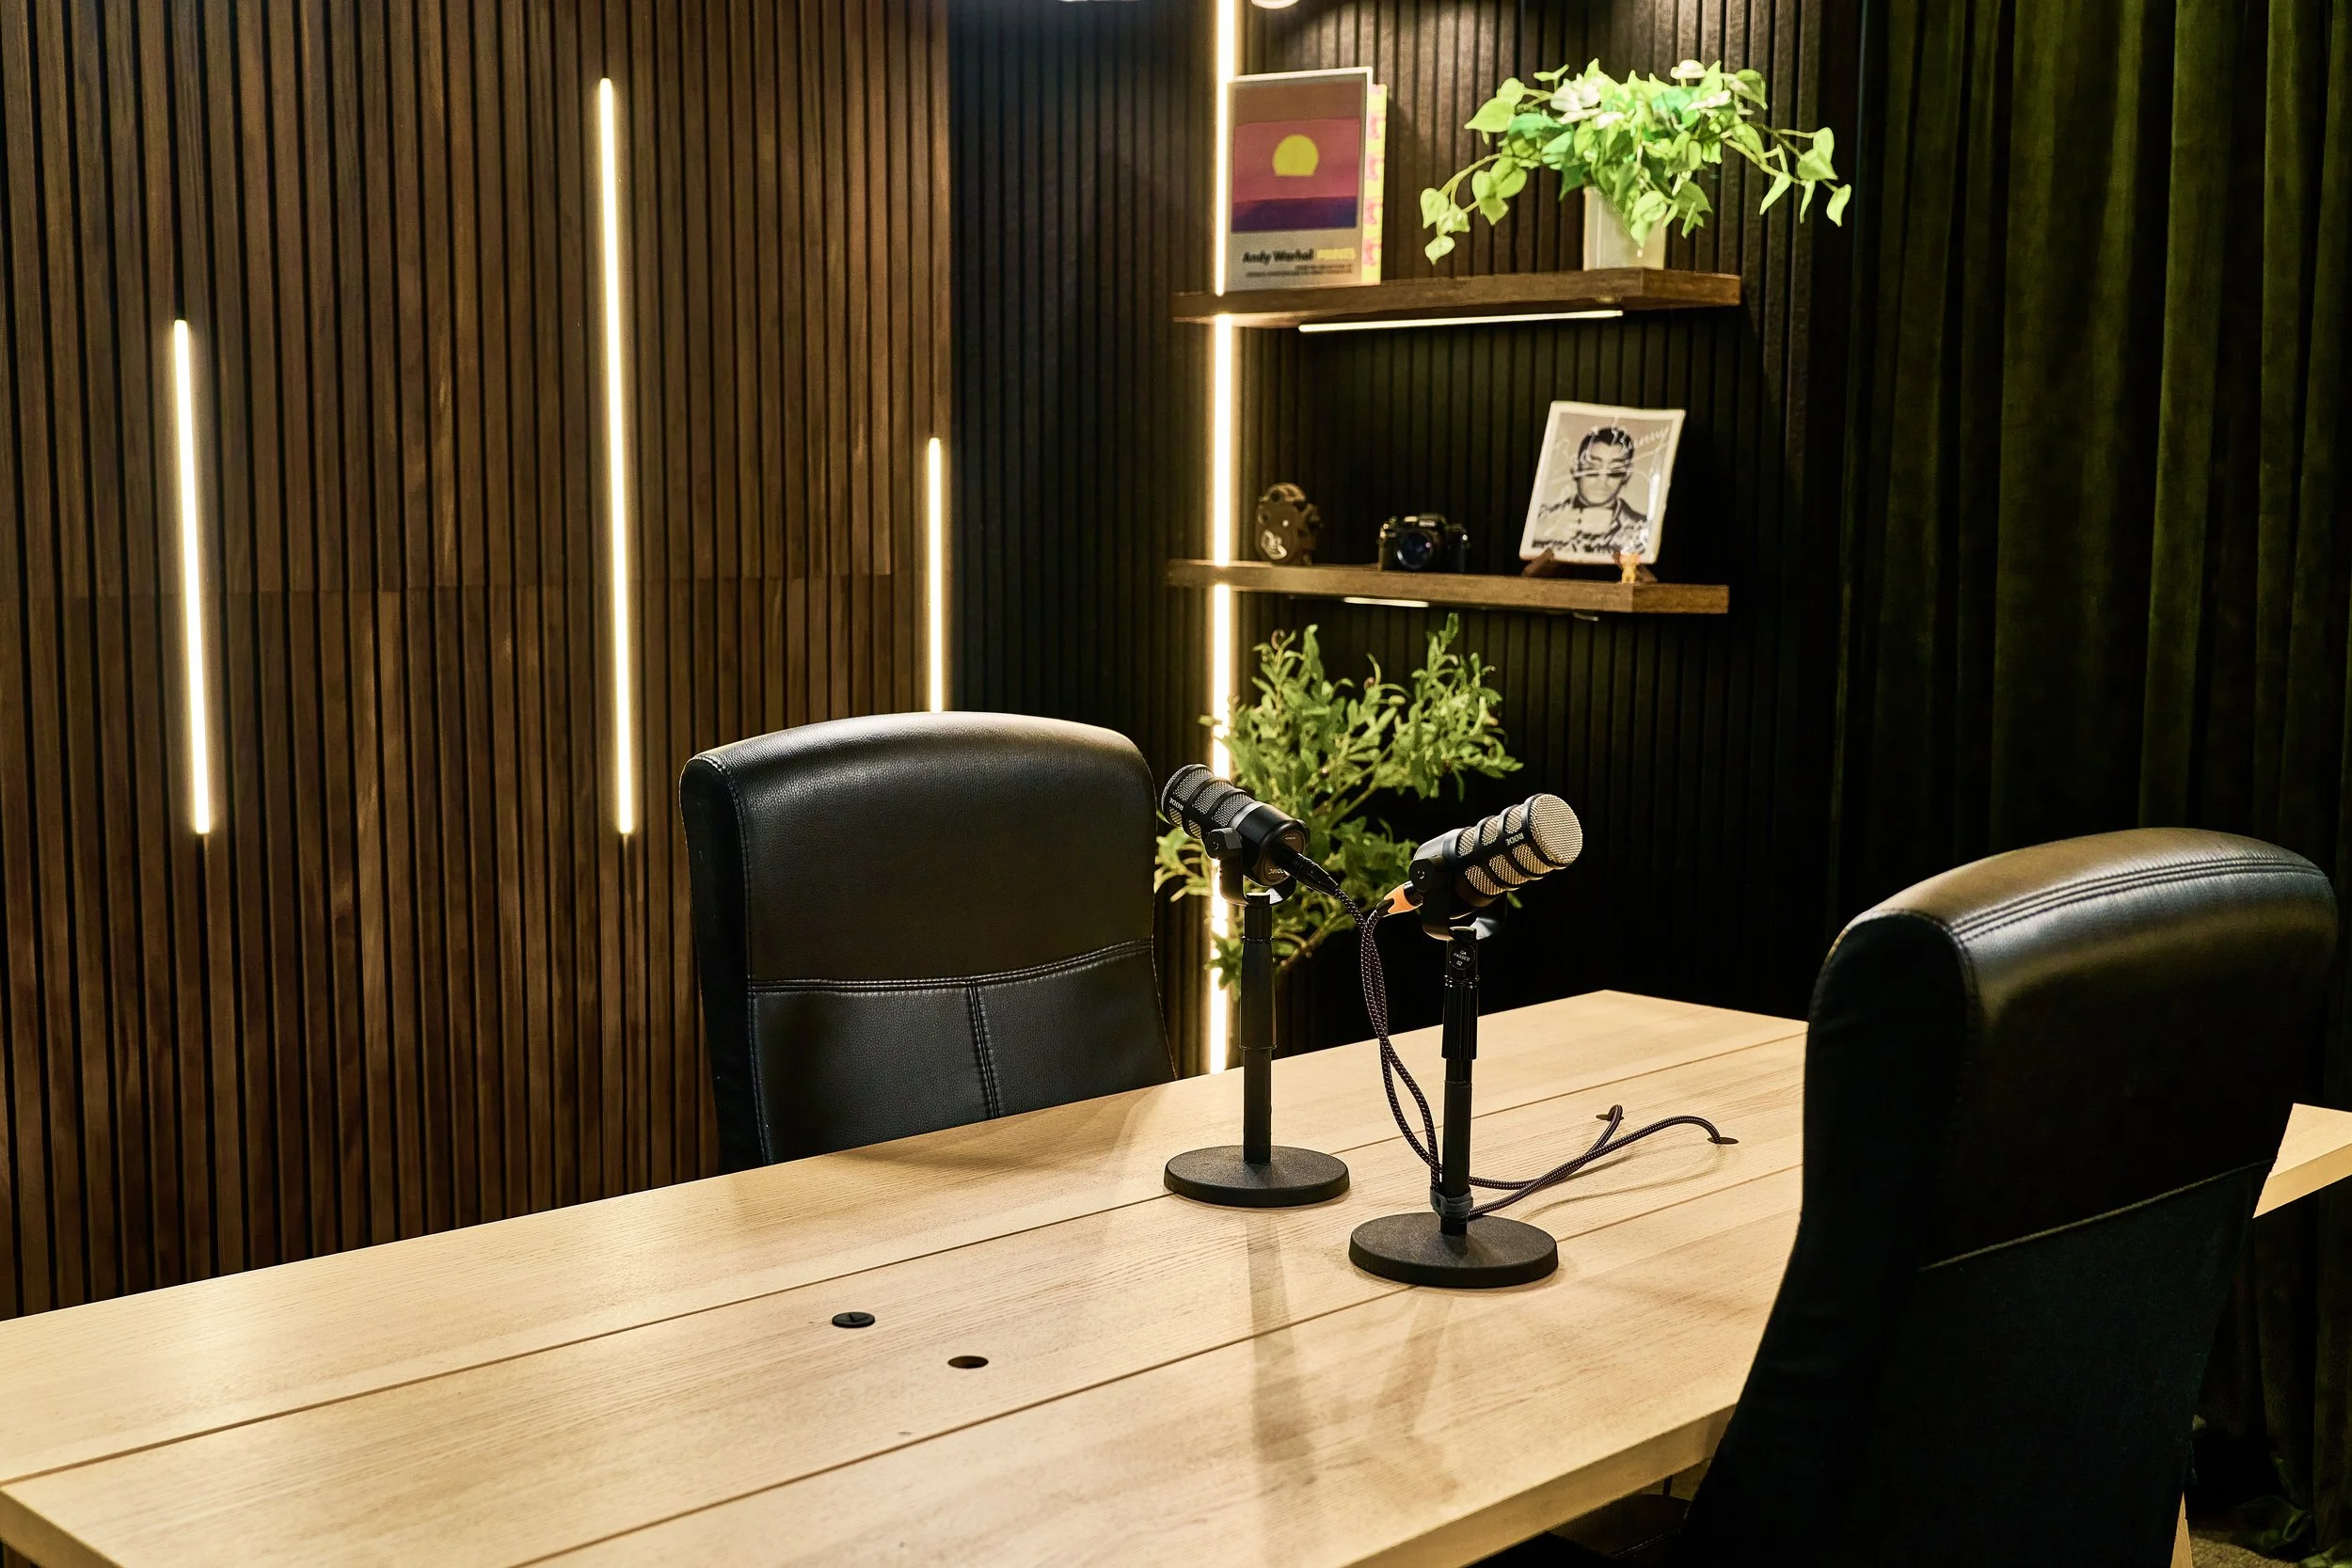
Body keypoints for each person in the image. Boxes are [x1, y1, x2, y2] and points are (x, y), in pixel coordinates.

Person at [1537, 424, 1649, 555]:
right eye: (1593, 468)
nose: (1603, 480)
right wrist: (1540, 532)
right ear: (1575, 467)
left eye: (1615, 470)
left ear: (1627, 474)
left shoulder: (1642, 528)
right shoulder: (1542, 521)